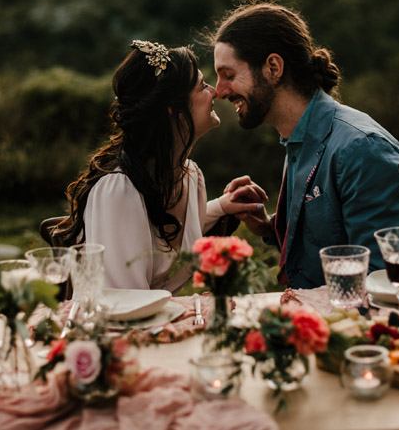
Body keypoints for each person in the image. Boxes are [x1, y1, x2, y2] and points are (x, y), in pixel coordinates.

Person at [211, 0, 399, 289]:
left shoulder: (361, 150)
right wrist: (270, 228)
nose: (219, 91)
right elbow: (331, 242)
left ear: (273, 67)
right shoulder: (299, 138)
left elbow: (381, 282)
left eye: (229, 75)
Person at [53, 40, 266, 292]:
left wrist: (222, 206)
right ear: (173, 109)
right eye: (202, 86)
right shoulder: (119, 191)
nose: (215, 92)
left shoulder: (189, 176)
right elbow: (124, 301)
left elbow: (166, 228)